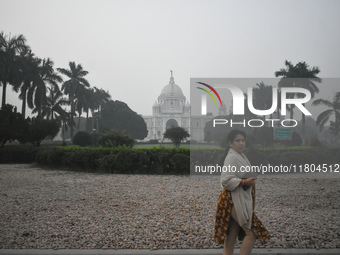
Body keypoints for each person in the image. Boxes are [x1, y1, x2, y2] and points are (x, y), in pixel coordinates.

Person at [214, 129, 270, 255]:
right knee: (252, 233)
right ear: (230, 143)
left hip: (237, 199)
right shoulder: (232, 157)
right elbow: (225, 180)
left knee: (232, 232)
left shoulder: (240, 156)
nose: (241, 143)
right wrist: (244, 182)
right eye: (237, 141)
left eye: (243, 140)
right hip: (233, 200)